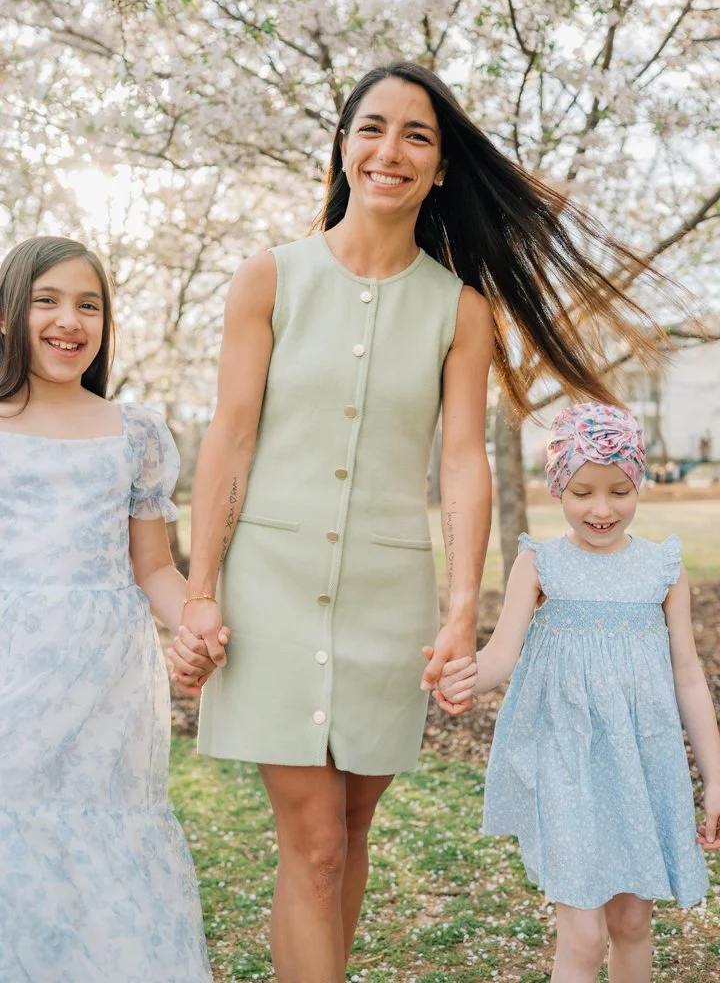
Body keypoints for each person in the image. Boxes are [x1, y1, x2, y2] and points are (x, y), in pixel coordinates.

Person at [174, 61, 672, 983]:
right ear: (342, 145)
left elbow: (462, 462)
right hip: (270, 592)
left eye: (417, 136)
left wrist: (458, 610)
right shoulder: (268, 278)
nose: (390, 150)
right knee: (315, 842)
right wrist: (201, 590)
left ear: (441, 169)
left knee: (351, 830)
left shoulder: (461, 309)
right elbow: (229, 439)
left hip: (389, 600)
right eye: (372, 128)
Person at [0, 236, 226, 981]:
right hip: (11, 669)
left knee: (101, 831)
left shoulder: (133, 432)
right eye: (47, 301)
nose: (70, 320)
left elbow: (153, 566)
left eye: (88, 305)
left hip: (105, 681)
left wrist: (194, 620)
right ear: (8, 313)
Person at [434, 402, 720, 983]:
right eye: (583, 492)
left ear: (638, 482)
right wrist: (460, 673)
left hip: (643, 763)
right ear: (558, 485)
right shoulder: (540, 564)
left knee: (633, 922)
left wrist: (715, 777)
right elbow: (501, 656)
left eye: (620, 491)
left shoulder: (662, 569)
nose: (602, 509)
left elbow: (688, 675)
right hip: (567, 763)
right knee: (585, 936)